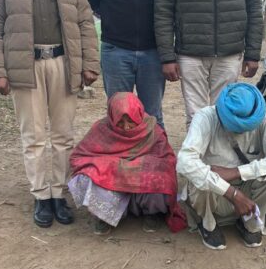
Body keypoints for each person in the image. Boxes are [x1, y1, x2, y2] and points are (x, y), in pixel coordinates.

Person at [0, 0, 100, 228]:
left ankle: (59, 193)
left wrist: (89, 63)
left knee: (63, 134)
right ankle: (41, 196)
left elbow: (85, 22)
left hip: (62, 63)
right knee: (33, 136)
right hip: (25, 66)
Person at [154, 0, 263, 127]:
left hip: (229, 53)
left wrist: (253, 53)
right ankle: (198, 148)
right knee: (196, 118)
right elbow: (162, 8)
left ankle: (218, 149)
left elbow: (254, 4)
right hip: (190, 54)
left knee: (224, 115)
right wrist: (167, 57)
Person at [177, 83, 266, 250]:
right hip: (214, 194)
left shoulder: (265, 116)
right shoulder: (205, 117)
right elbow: (184, 162)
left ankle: (250, 224)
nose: (241, 132)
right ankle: (208, 224)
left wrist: (237, 172)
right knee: (198, 177)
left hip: (247, 192)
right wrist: (232, 194)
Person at [69, 92, 186, 234]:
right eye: (120, 122)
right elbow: (79, 157)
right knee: (86, 175)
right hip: (113, 179)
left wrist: (132, 167)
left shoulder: (151, 128)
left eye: (131, 120)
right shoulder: (102, 129)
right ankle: (104, 216)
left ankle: (151, 213)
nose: (126, 127)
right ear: (112, 117)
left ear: (139, 115)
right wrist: (113, 166)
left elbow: (166, 159)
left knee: (162, 176)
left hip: (140, 180)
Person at [84, 0, 166, 127]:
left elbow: (170, 0)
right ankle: (121, 149)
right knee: (119, 115)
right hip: (115, 51)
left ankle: (155, 148)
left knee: (152, 115)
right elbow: (93, 2)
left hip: (153, 51)